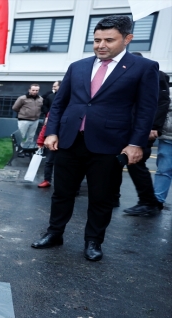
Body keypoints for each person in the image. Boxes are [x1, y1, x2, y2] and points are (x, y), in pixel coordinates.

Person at [31, 15, 159, 262]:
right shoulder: (77, 67)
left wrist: (135, 144)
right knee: (62, 193)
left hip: (109, 145)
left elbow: (146, 110)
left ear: (127, 39)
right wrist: (52, 132)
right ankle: (54, 233)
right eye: (97, 40)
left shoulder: (143, 68)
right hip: (69, 141)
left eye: (109, 40)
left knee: (101, 197)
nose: (101, 45)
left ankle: (93, 242)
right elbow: (59, 104)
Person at [119, 52, 170, 216]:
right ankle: (115, 197)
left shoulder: (156, 74)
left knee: (135, 163)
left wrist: (154, 127)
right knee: (121, 161)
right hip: (128, 126)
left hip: (144, 128)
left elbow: (161, 102)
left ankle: (148, 202)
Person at [12, 84, 43, 149]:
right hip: (24, 120)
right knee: (21, 136)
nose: (35, 92)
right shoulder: (22, 98)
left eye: (37, 90)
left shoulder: (40, 99)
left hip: (35, 120)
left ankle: (28, 149)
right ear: (29, 90)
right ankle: (18, 150)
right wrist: (24, 113)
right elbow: (15, 108)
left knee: (31, 136)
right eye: (33, 90)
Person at [154, 104, 172, 205]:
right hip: (167, 137)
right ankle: (157, 200)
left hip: (167, 136)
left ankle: (157, 199)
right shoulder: (169, 92)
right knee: (163, 170)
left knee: (163, 171)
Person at [36, 114, 55, 188]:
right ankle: (47, 180)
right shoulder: (53, 112)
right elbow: (45, 127)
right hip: (52, 142)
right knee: (49, 161)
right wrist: (40, 142)